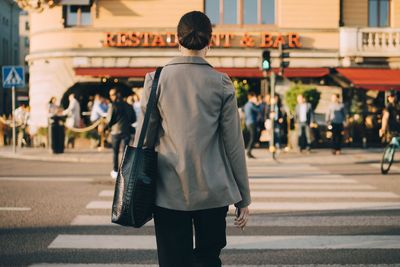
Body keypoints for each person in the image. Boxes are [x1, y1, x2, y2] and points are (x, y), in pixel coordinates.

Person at [133, 11, 251, 267]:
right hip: (213, 192)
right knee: (209, 259)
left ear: (177, 39)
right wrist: (243, 197)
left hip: (168, 191)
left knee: (173, 261)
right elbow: (234, 145)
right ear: (211, 41)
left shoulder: (156, 80)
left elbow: (143, 139)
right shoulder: (221, 83)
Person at [107, 88, 136, 179]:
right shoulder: (129, 105)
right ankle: (124, 171)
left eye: (112, 95)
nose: (111, 97)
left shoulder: (113, 105)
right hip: (126, 131)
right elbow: (133, 119)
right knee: (125, 152)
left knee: (115, 153)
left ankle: (115, 170)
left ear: (117, 95)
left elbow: (109, 120)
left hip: (115, 131)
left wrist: (108, 126)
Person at [244, 91, 260, 158]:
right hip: (252, 122)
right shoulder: (251, 105)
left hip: (248, 122)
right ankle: (248, 152)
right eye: (255, 97)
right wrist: (258, 104)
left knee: (252, 137)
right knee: (253, 138)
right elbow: (258, 110)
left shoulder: (246, 104)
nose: (255, 98)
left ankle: (249, 152)